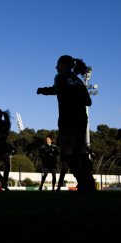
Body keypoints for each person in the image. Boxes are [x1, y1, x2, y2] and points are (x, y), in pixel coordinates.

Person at [37, 55, 96, 193]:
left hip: (68, 119)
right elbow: (88, 102)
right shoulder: (78, 81)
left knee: (67, 153)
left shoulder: (60, 77)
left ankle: (82, 182)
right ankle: (89, 183)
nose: (56, 67)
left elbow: (55, 89)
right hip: (81, 119)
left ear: (63, 64)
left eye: (57, 64)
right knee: (81, 152)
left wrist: (41, 90)